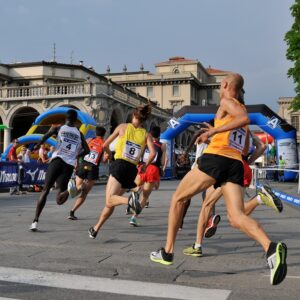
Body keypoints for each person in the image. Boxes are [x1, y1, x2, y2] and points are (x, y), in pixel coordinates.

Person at [150, 73, 287, 286]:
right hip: (234, 164)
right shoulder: (239, 121)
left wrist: (214, 130)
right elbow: (243, 147)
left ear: (224, 85)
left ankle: (167, 251)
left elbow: (243, 116)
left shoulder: (226, 102)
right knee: (236, 217)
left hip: (216, 159)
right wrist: (216, 135)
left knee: (178, 198)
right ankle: (271, 248)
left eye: (220, 85)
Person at [183, 131, 283, 257]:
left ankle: (197, 246)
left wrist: (207, 140)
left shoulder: (226, 127)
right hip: (243, 168)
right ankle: (259, 198)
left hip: (228, 167)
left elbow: (222, 145)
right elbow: (262, 146)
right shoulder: (247, 130)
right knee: (237, 215)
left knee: (207, 205)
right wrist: (248, 162)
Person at [88, 103, 156, 239]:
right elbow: (153, 153)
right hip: (132, 170)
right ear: (143, 120)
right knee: (112, 202)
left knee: (110, 199)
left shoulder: (123, 127)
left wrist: (109, 155)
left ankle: (130, 201)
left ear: (133, 116)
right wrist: (144, 165)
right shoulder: (146, 135)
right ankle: (96, 228)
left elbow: (105, 144)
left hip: (119, 165)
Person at [29, 109, 90, 232]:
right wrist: (76, 155)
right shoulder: (79, 133)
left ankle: (35, 221)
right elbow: (87, 150)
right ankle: (69, 191)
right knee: (59, 200)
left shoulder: (59, 128)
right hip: (68, 165)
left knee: (45, 190)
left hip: (57, 161)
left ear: (65, 118)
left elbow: (44, 137)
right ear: (75, 120)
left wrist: (36, 146)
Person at [129, 126, 167, 226]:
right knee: (145, 197)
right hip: (153, 169)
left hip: (142, 167)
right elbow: (162, 162)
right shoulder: (162, 145)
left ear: (150, 134)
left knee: (135, 188)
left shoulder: (145, 143)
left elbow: (138, 155)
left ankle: (132, 200)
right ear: (159, 135)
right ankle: (134, 217)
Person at [68, 126, 108, 220]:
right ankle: (72, 212)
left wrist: (76, 162)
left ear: (96, 133)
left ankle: (75, 187)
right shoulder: (105, 143)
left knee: (76, 189)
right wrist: (106, 158)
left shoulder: (89, 139)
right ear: (104, 134)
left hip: (83, 165)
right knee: (84, 193)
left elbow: (79, 150)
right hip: (93, 168)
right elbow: (104, 160)